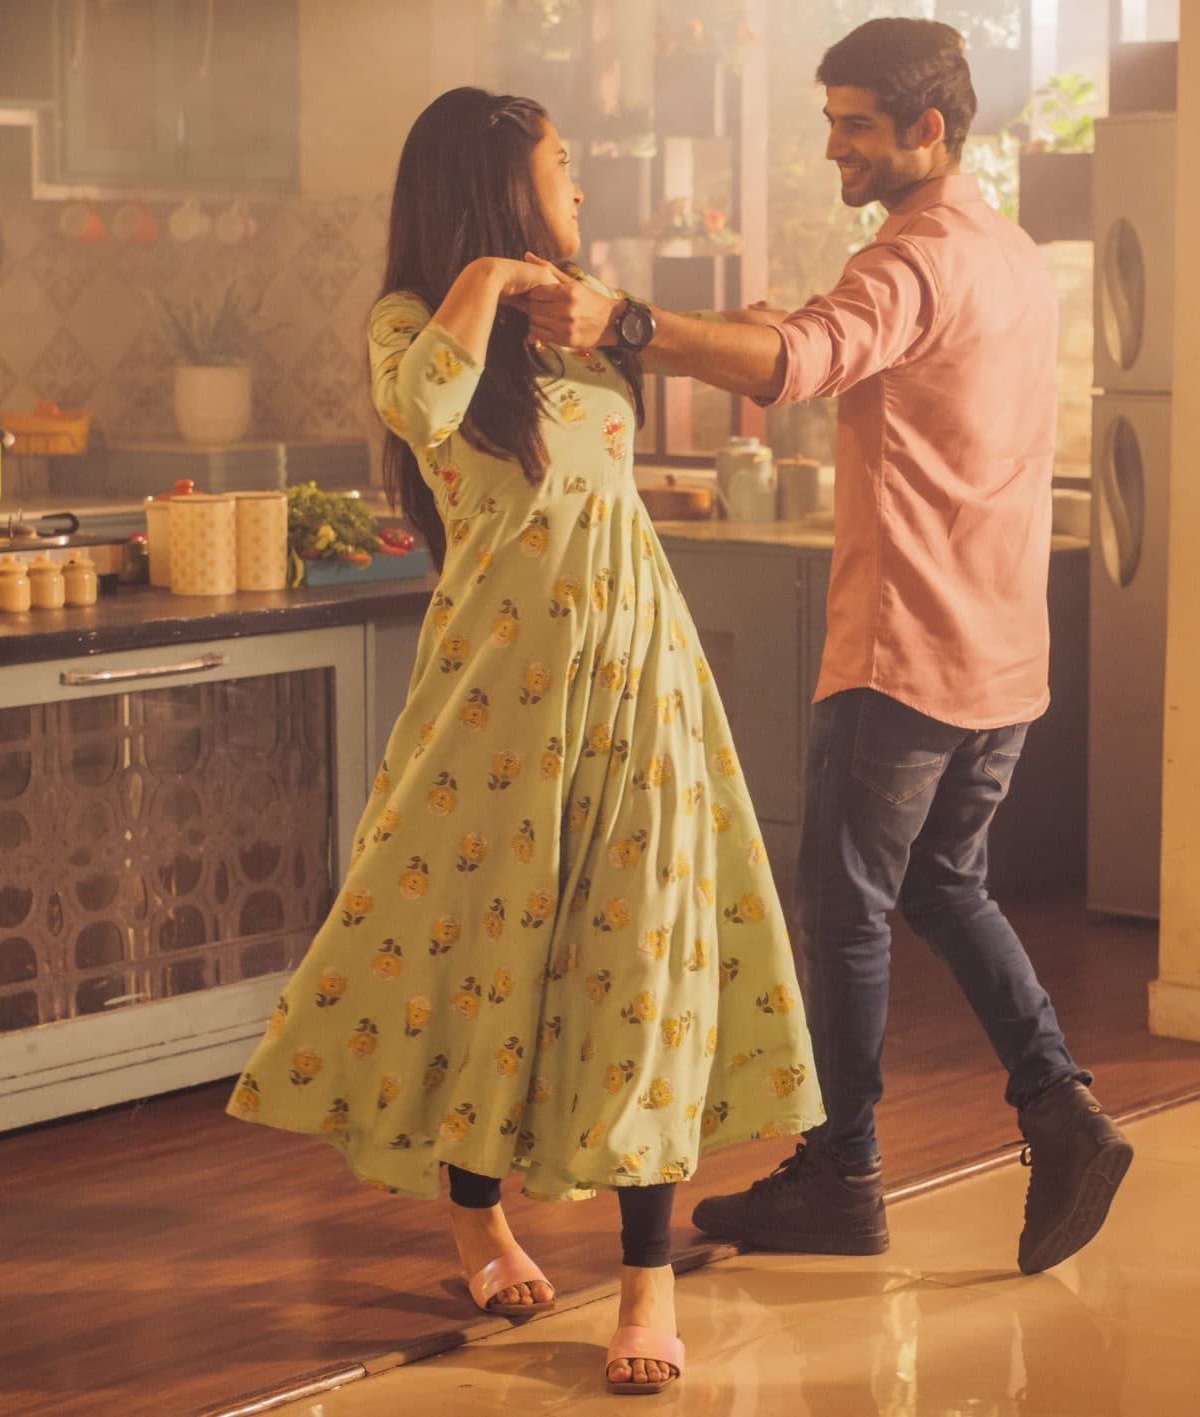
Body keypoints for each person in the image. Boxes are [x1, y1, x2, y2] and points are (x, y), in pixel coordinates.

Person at [227, 86, 822, 1398]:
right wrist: (494, 274)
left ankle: (647, 1281)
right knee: (481, 960)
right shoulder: (416, 324)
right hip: (496, 701)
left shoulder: (586, 321)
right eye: (560, 168)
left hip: (643, 685)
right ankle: (477, 1218)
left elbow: (641, 437)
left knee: (643, 967)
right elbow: (425, 411)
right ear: (496, 186)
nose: (580, 190)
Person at [514, 17, 1132, 1277]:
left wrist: (621, 321)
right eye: (830, 120)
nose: (835, 146)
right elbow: (856, 353)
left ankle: (844, 1172)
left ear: (928, 131)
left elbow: (801, 359)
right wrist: (766, 328)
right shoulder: (1004, 253)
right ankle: (1059, 1108)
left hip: (905, 646)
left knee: (843, 902)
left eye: (855, 124)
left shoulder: (906, 261)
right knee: (942, 883)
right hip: (1004, 645)